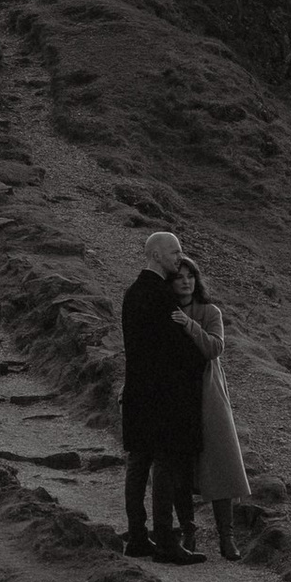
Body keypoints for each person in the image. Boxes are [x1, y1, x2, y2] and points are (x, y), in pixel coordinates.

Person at [120, 231, 204, 563]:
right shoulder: (160, 295)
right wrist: (198, 358)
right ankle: (166, 542)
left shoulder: (132, 293)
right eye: (174, 252)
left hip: (137, 391)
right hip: (163, 395)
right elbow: (177, 346)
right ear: (156, 255)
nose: (179, 257)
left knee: (138, 463)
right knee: (164, 465)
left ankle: (137, 537)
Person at [171, 261, 253, 557]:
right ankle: (188, 533)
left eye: (191, 276)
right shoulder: (165, 311)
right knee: (179, 467)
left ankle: (226, 537)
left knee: (221, 461)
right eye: (179, 277)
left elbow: (214, 348)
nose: (186, 282)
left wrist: (189, 324)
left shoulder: (210, 312)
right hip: (178, 396)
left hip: (209, 395)